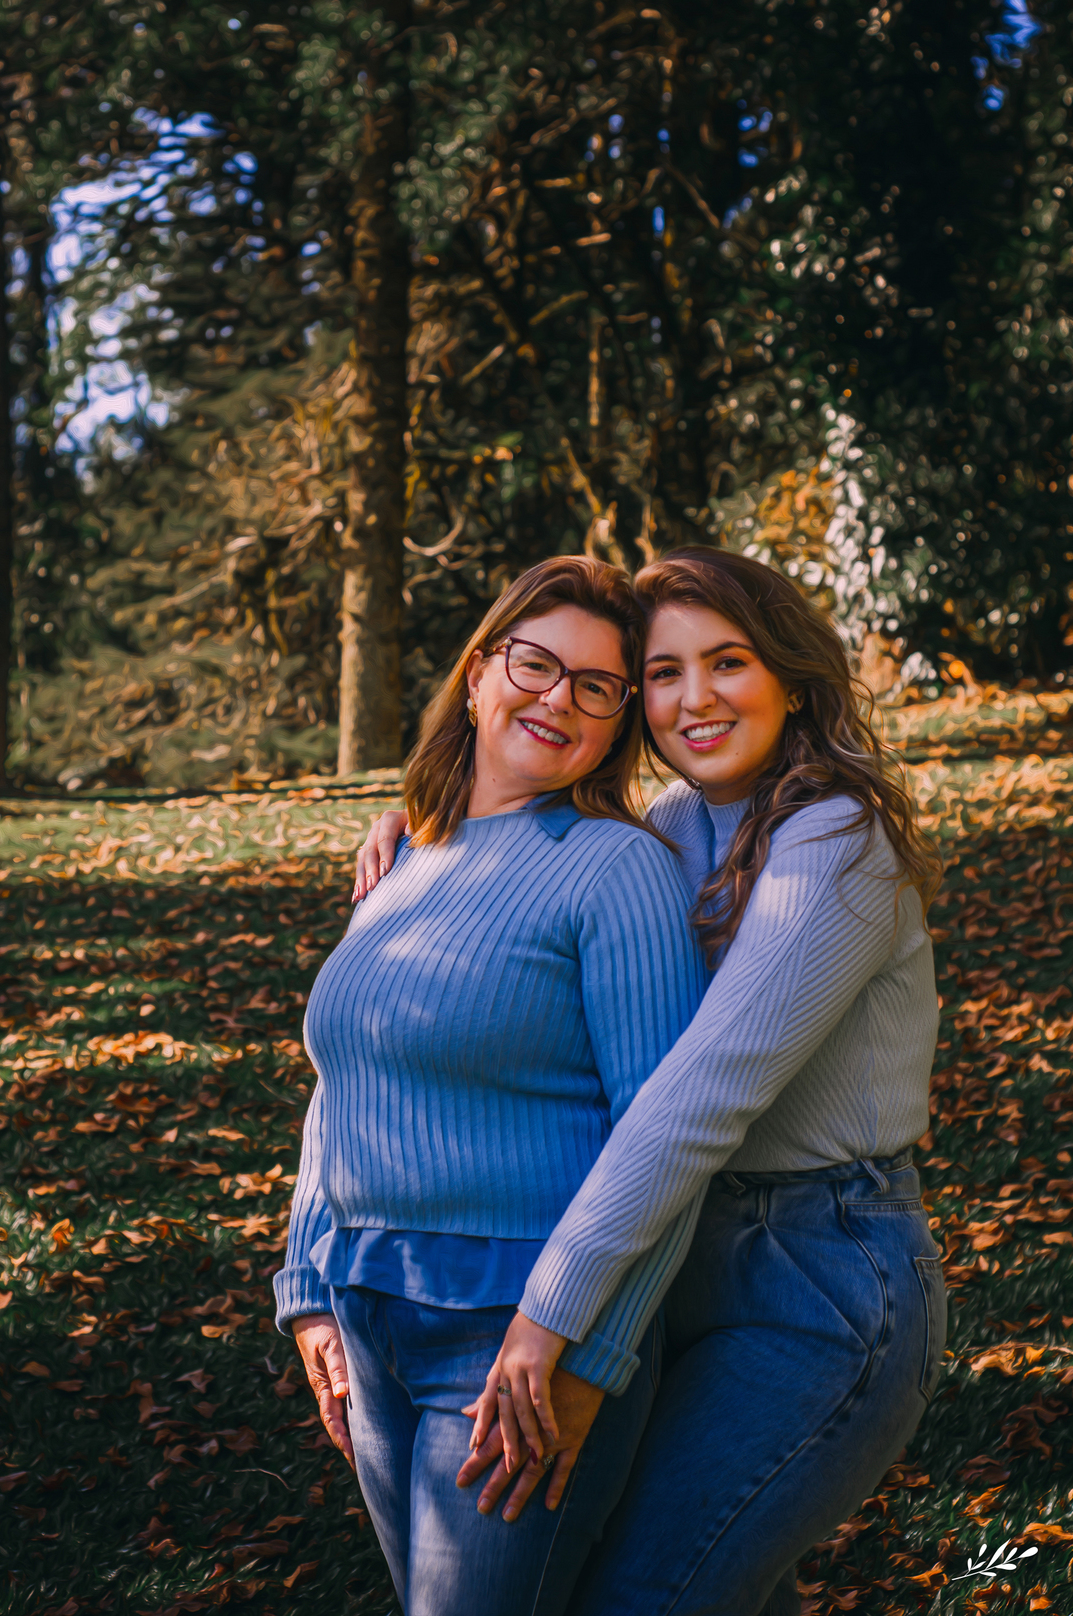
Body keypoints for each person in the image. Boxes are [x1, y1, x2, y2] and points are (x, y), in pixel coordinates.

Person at [353, 545, 946, 1616]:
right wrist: (430, 840)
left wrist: (554, 1311)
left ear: (792, 677)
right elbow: (542, 865)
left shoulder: (837, 838)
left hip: (818, 1272)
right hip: (683, 1257)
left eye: (729, 662)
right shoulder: (673, 826)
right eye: (665, 673)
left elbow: (700, 1091)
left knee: (648, 1591)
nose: (694, 698)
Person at [274, 556, 709, 1616]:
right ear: (478, 673)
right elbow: (344, 1084)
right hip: (367, 1309)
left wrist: (593, 1352)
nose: (557, 697)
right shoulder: (408, 856)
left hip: (518, 1335)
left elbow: (665, 1143)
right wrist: (306, 1290)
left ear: (615, 723)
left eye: (596, 686)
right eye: (535, 663)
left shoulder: (618, 869)